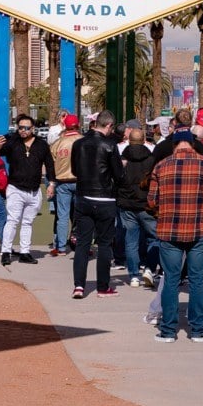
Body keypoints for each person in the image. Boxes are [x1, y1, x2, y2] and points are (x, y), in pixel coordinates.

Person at [148, 129, 203, 342]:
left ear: (174, 145)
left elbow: (151, 200)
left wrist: (165, 208)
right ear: (192, 144)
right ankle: (198, 329)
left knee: (170, 279)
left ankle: (168, 330)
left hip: (169, 229)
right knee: (197, 280)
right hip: (198, 228)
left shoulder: (161, 166)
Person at [70, 110, 123, 299]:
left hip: (84, 196)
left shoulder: (79, 143)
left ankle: (78, 286)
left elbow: (75, 170)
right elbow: (118, 174)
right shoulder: (110, 145)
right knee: (105, 244)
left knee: (83, 244)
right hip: (104, 198)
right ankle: (103, 287)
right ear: (108, 125)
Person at [0, 113, 56, 266]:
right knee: (12, 220)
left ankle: (24, 252)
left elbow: (49, 164)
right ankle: (6, 252)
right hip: (15, 188)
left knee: (28, 222)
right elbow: (1, 151)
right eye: (21, 127)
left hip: (34, 190)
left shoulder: (41, 145)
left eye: (27, 128)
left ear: (33, 128)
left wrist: (51, 184)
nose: (23, 130)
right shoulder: (13, 141)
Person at [117, 127, 159, 289]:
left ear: (129, 140)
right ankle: (149, 267)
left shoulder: (122, 159)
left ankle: (134, 274)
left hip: (128, 204)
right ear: (143, 140)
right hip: (145, 204)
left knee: (131, 240)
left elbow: (117, 180)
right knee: (154, 238)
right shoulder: (151, 160)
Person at [48, 114, 83, 257]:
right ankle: (81, 246)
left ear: (65, 126)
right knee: (81, 216)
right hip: (81, 182)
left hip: (62, 182)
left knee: (62, 216)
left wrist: (52, 183)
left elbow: (51, 164)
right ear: (78, 125)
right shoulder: (84, 141)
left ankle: (61, 247)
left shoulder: (58, 143)